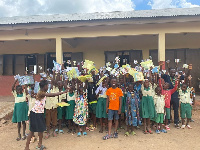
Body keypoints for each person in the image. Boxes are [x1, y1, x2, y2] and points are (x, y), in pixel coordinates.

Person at [25, 80, 68, 150]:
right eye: (47, 85)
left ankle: (37, 146)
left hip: (36, 113)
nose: (48, 87)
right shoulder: (42, 93)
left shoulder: (41, 92)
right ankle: (32, 146)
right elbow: (52, 95)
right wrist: (63, 92)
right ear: (44, 86)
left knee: (38, 130)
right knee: (35, 130)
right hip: (37, 114)